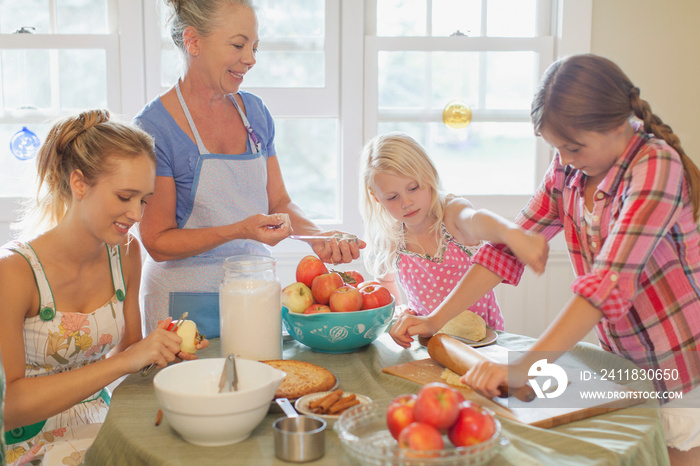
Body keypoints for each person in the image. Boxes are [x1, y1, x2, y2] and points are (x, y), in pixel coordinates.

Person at [389, 54, 700, 464]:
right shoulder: (569, 169)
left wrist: (524, 369)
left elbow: (605, 285)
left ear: (615, 124)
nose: (565, 157)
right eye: (557, 148)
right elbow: (503, 252)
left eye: (573, 146)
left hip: (682, 361)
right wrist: (435, 321)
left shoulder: (657, 167)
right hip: (621, 357)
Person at [134, 0, 364, 337]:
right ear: (193, 41)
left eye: (254, 47)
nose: (251, 59)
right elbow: (157, 241)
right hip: (182, 307)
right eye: (238, 45)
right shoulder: (155, 127)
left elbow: (279, 203)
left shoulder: (254, 113)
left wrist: (317, 237)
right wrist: (238, 230)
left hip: (252, 295)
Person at [0, 110, 207, 465]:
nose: (137, 214)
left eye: (143, 199)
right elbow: (11, 406)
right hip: (31, 448)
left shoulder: (125, 254)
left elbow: (129, 355)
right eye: (125, 196)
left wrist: (158, 347)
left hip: (102, 426)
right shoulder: (14, 273)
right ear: (79, 183)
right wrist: (128, 358)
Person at [359, 132, 548, 329]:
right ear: (376, 198)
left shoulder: (451, 213)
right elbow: (385, 282)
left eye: (413, 188)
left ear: (429, 175)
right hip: (427, 341)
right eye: (392, 197)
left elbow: (476, 221)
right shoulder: (389, 236)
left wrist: (510, 233)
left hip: (482, 340)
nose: (406, 202)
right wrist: (398, 309)